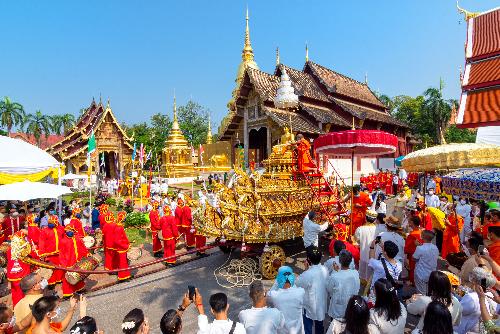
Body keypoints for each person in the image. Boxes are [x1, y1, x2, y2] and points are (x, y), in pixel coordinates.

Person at [295, 246, 328, 334]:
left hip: (310, 305)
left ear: (308, 260)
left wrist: (306, 270)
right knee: (319, 325)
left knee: (307, 327)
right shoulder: (325, 269)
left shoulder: (308, 274)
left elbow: (298, 283)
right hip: (321, 303)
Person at [456, 267, 498, 334]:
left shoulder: (471, 298)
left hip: (466, 331)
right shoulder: (493, 296)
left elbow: (457, 311)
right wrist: (459, 292)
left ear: (474, 280)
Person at [267, 266, 305, 334]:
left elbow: (267, 297)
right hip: (298, 330)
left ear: (279, 279)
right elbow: (293, 286)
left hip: (282, 331)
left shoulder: (274, 295)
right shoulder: (301, 292)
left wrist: (277, 282)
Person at [326, 250, 360, 320]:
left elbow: (329, 289)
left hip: (338, 310)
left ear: (340, 261)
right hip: (351, 307)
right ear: (351, 261)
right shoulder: (355, 273)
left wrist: (335, 271)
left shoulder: (334, 276)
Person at [59, 225, 89, 297]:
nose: (71, 232)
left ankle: (79, 288)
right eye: (69, 231)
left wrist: (86, 254)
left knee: (79, 275)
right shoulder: (63, 241)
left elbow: (82, 247)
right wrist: (63, 264)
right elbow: (61, 253)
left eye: (72, 230)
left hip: (78, 260)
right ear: (66, 231)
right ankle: (67, 293)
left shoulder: (77, 239)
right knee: (67, 277)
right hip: (68, 262)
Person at [38, 215, 64, 287]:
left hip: (59, 252)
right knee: (51, 269)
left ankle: (59, 280)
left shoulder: (61, 229)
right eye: (49, 222)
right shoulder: (44, 231)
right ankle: (51, 283)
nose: (50, 223)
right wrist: (42, 253)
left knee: (60, 267)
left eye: (52, 222)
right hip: (49, 254)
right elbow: (41, 242)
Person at [412, 230, 439, 294]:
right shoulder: (435, 247)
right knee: (429, 291)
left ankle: (423, 303)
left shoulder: (420, 248)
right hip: (431, 273)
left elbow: (414, 258)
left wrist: (417, 246)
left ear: (422, 237)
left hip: (421, 273)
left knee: (421, 293)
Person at [354, 210, 377, 282]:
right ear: (375, 219)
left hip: (363, 255)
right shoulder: (378, 229)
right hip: (374, 256)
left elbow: (357, 241)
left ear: (365, 218)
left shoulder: (360, 229)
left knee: (363, 277)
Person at [112, 211, 132, 281]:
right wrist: (126, 246)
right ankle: (122, 277)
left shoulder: (119, 226)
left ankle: (126, 275)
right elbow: (117, 241)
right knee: (122, 263)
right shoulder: (118, 228)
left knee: (124, 262)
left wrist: (128, 243)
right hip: (121, 248)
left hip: (122, 247)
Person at [404, 216, 422, 286]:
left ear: (412, 223)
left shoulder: (412, 235)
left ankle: (412, 282)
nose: (408, 222)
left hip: (412, 254)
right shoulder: (420, 231)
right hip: (419, 254)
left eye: (409, 221)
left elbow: (407, 248)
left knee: (412, 268)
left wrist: (406, 256)